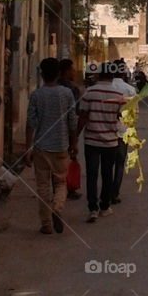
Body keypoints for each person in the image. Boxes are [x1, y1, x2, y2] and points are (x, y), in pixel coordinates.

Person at [24, 57, 78, 235]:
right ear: (58, 74)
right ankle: (58, 207)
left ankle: (46, 224)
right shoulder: (67, 94)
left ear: (41, 74)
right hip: (61, 146)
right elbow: (72, 122)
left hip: (41, 146)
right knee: (61, 182)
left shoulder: (36, 95)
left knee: (43, 186)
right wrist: (74, 144)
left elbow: (31, 122)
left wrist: (28, 147)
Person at [77, 63, 126, 223]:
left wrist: (74, 138)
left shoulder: (89, 92)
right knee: (107, 174)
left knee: (91, 175)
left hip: (91, 140)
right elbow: (121, 117)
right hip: (110, 141)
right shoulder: (119, 95)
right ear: (113, 76)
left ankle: (93, 208)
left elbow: (83, 116)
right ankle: (105, 206)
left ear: (98, 74)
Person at [109, 62, 136, 205]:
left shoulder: (106, 88)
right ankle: (115, 194)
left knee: (106, 164)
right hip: (123, 132)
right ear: (124, 72)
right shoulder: (130, 90)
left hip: (106, 131)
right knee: (119, 164)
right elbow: (134, 114)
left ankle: (105, 193)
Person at [58, 58, 82, 198]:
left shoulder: (50, 86)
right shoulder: (72, 89)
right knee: (67, 159)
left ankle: (57, 189)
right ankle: (66, 189)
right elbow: (74, 115)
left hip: (52, 131)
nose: (74, 72)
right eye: (72, 69)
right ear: (66, 71)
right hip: (67, 130)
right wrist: (75, 138)